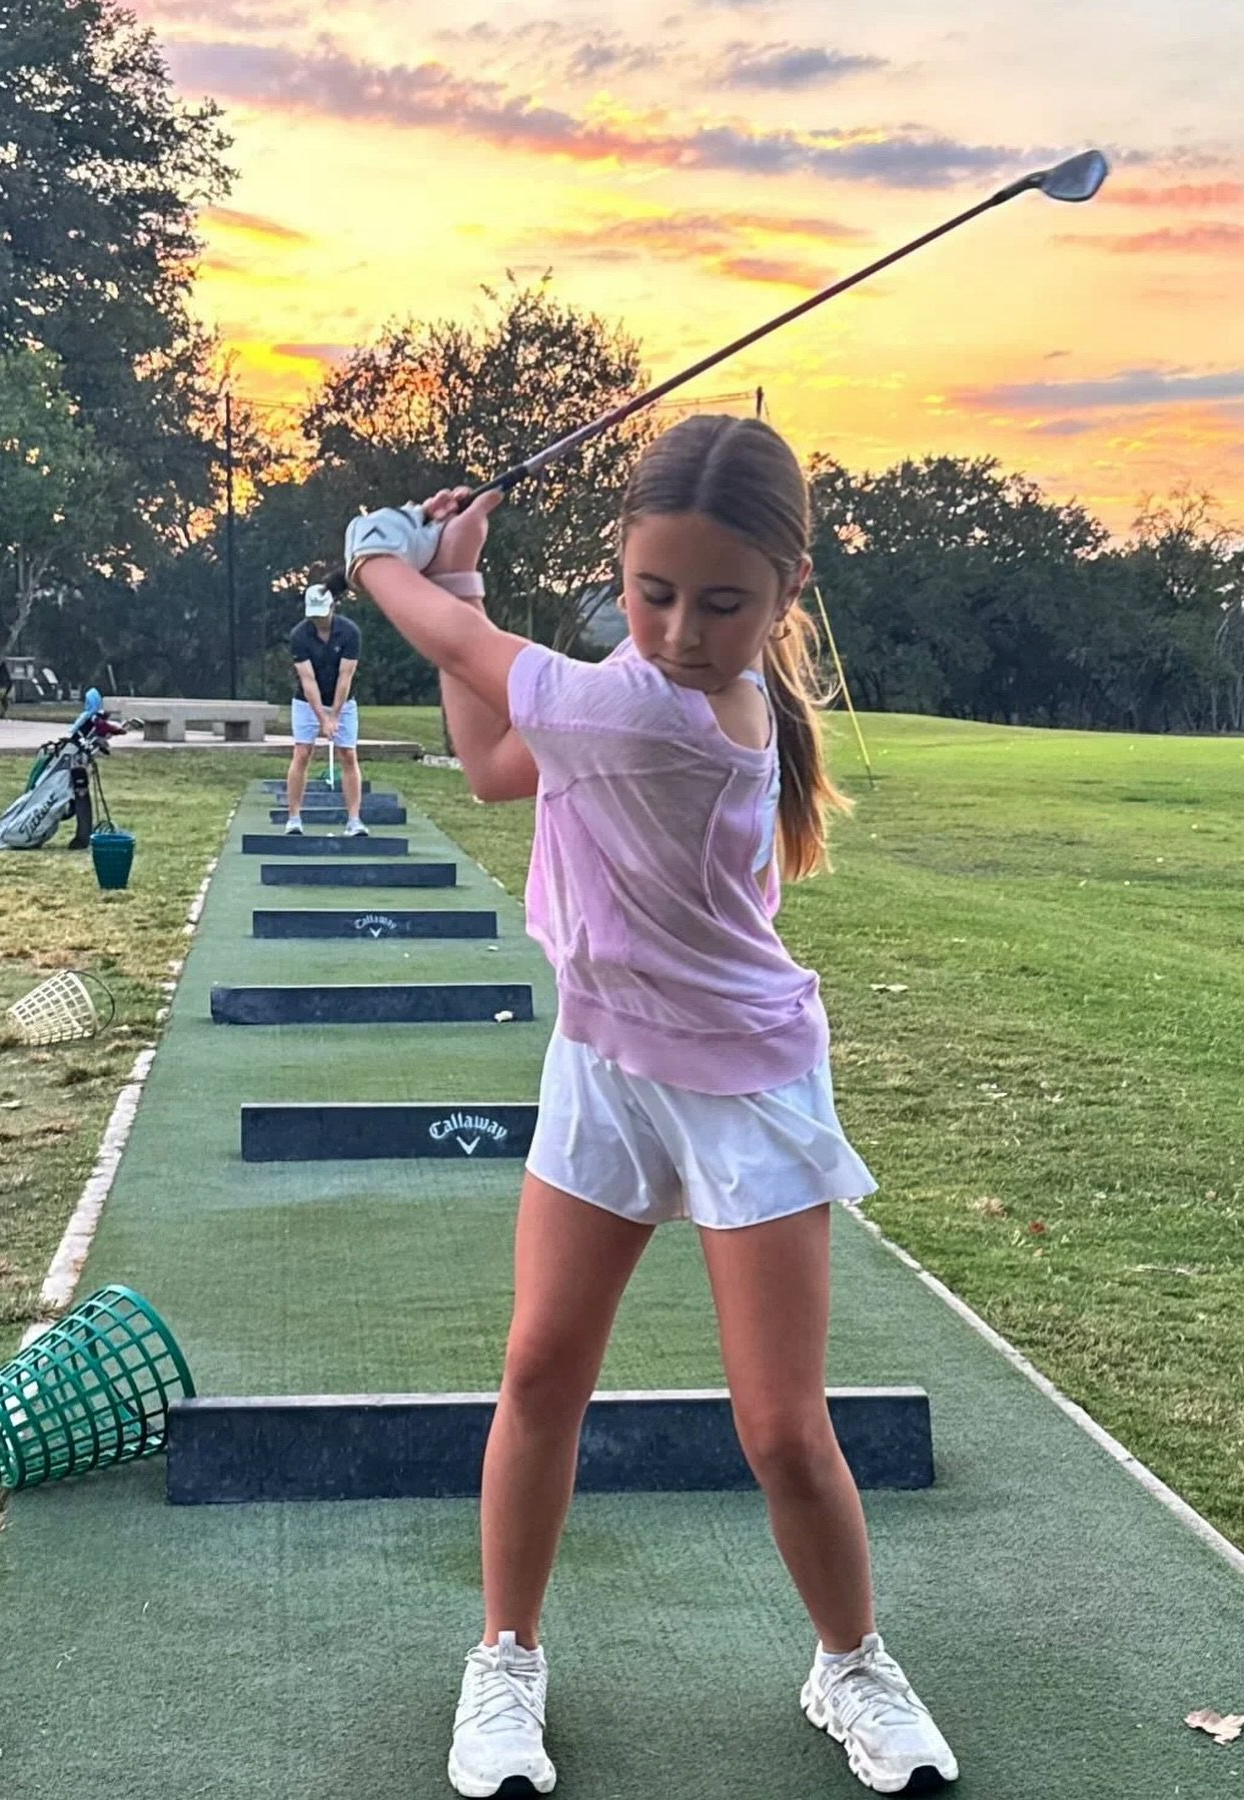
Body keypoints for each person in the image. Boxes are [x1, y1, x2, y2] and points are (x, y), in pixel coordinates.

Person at [345, 415, 959, 1798]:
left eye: (724, 603)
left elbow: (459, 660)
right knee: (540, 1373)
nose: (682, 629)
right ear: (622, 575)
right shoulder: (617, 691)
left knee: (781, 1427)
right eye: (654, 592)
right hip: (606, 1067)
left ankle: (849, 1661)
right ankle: (506, 1654)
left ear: (790, 596)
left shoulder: (652, 717)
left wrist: (388, 561)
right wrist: (469, 587)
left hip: (744, 1087)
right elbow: (503, 762)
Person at [284, 581, 366, 835]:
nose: (319, 620)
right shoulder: (299, 635)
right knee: (302, 753)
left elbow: (346, 676)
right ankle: (294, 819)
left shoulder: (350, 632)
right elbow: (307, 681)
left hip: (344, 701)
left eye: (323, 613)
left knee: (348, 755)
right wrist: (322, 717)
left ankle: (354, 821)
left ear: (333, 606)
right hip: (306, 702)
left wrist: (335, 715)